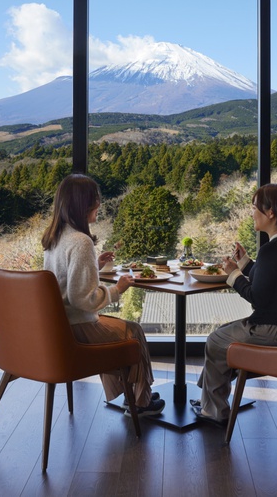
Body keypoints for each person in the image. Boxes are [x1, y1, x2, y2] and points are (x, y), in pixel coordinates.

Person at [42, 173, 165, 416]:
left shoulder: (55, 238)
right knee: (134, 332)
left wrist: (94, 266)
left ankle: (130, 393)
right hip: (78, 329)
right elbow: (82, 299)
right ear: (83, 204)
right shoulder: (81, 241)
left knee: (124, 329)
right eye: (95, 200)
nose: (99, 204)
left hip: (60, 327)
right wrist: (117, 290)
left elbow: (66, 282)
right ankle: (140, 401)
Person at [192, 183, 277, 426]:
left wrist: (233, 275)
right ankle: (210, 399)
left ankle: (214, 411)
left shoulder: (270, 250)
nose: (252, 213)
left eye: (255, 208)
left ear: (271, 213)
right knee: (223, 334)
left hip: (274, 330)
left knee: (215, 340)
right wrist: (245, 263)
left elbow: (258, 297)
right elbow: (269, 279)